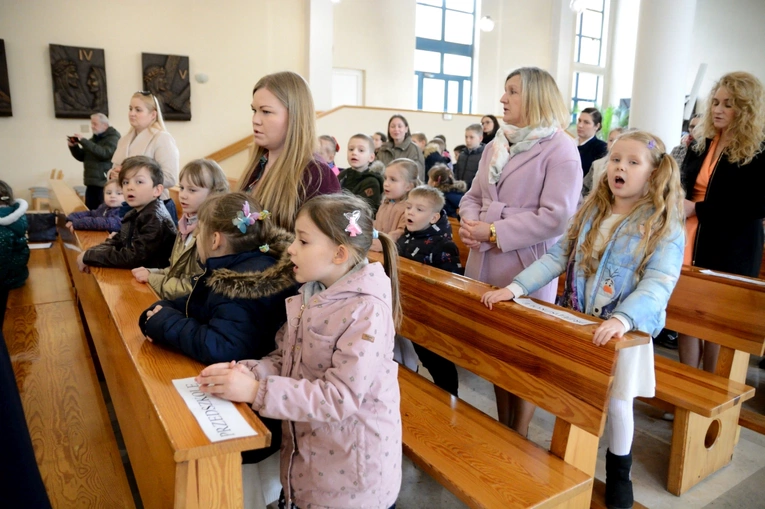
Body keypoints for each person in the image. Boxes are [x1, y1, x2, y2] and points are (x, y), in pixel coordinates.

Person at [482, 130, 685, 509]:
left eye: (632, 162)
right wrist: (517, 287)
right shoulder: (591, 211)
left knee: (620, 403)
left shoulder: (662, 225)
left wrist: (623, 319)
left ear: (655, 174)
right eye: (615, 159)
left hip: (626, 332)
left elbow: (659, 284)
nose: (619, 167)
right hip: (581, 323)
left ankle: (619, 474)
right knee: (576, 393)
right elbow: (557, 257)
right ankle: (567, 462)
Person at [195, 194, 402, 509]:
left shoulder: (366, 310)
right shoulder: (313, 292)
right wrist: (249, 371)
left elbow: (339, 397)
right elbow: (286, 358)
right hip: (312, 466)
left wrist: (256, 390)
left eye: (303, 241)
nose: (290, 248)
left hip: (351, 483)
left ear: (339, 253)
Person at [459, 67, 582, 435]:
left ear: (535, 97)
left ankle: (521, 433)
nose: (502, 99)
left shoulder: (562, 149)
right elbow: (472, 196)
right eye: (504, 90)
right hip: (485, 260)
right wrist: (469, 224)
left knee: (524, 357)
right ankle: (503, 427)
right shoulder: (497, 144)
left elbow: (556, 218)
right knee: (497, 354)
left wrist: (494, 230)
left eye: (512, 91)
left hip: (527, 267)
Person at [139, 192, 296, 365]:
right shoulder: (234, 268)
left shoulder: (237, 286)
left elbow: (223, 348)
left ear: (215, 240)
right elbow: (197, 304)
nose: (197, 238)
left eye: (199, 233)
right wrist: (158, 312)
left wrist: (165, 323)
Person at [679, 71, 765, 373]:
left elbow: (755, 205)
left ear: (745, 109)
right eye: (715, 102)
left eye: (728, 104)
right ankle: (688, 386)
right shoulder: (701, 142)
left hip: (732, 243)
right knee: (686, 315)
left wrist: (699, 210)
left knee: (715, 322)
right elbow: (685, 182)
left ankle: (711, 387)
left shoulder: (759, 151)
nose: (717, 109)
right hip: (691, 235)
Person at [237, 71, 340, 232]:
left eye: (266, 111)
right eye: (254, 110)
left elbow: (321, 247)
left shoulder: (317, 176)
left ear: (294, 116)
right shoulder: (257, 166)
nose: (255, 120)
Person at [132, 159, 229, 300]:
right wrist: (152, 272)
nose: (182, 195)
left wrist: (152, 279)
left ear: (214, 194)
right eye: (182, 188)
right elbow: (176, 270)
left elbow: (195, 287)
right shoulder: (186, 224)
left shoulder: (211, 234)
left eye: (192, 190)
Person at [398, 185, 462, 395]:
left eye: (418, 209)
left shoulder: (443, 245)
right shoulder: (408, 235)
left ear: (434, 218)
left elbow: (449, 283)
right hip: (411, 309)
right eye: (408, 207)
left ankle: (450, 396)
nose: (410, 212)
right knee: (423, 355)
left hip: (433, 316)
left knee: (438, 360)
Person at [77, 156, 176, 272]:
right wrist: (90, 254)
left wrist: (90, 256)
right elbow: (118, 240)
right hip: (137, 272)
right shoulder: (135, 212)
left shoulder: (155, 218)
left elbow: (134, 257)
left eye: (139, 182)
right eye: (125, 182)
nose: (130, 187)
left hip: (152, 281)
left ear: (157, 190)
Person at [109, 91, 180, 222]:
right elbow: (115, 169)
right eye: (130, 109)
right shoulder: (124, 140)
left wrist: (138, 180)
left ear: (153, 114)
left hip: (155, 207)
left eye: (138, 110)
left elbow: (170, 178)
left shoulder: (162, 138)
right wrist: (113, 174)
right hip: (128, 204)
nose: (132, 113)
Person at [68, 113, 121, 209]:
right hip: (91, 182)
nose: (92, 127)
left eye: (94, 124)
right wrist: (74, 147)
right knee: (90, 212)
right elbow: (82, 156)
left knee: (102, 213)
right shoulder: (94, 139)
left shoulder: (113, 137)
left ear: (104, 125)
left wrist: (84, 141)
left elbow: (105, 154)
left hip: (103, 183)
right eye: (91, 124)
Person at [372, 158, 420, 250]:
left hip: (393, 253)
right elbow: (378, 224)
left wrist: (384, 242)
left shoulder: (409, 209)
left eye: (393, 180)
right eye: (385, 178)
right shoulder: (385, 203)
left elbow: (402, 232)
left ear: (408, 186)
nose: (386, 183)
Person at [0, 181, 29, 324]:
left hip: (8, 280)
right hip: (16, 272)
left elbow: (2, 262)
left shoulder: (2, 230)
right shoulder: (16, 216)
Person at [337, 133, 384, 212]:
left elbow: (366, 210)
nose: (354, 153)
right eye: (351, 149)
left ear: (371, 157)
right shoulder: (343, 174)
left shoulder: (371, 182)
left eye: (361, 150)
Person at [376, 114, 426, 180]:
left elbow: (417, 177)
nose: (396, 129)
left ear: (406, 129)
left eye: (400, 126)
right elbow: (377, 173)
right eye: (392, 126)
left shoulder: (414, 150)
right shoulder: (383, 149)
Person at [582, 127, 627, 197]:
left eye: (617, 140)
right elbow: (584, 188)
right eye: (611, 140)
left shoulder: (626, 167)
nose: (613, 144)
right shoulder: (596, 164)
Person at [577, 107, 608, 177]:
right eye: (579, 121)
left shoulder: (601, 148)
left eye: (586, 122)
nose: (580, 125)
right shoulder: (570, 144)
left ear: (597, 126)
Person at [453, 123, 485, 188]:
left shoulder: (484, 155)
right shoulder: (462, 155)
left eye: (471, 137)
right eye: (466, 137)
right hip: (460, 190)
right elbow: (457, 173)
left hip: (475, 192)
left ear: (480, 138)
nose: (468, 140)